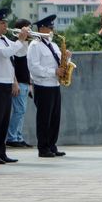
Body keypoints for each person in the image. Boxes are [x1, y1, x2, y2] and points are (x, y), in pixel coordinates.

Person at [0, 8, 29, 165]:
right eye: (2, 22)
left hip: (5, 83)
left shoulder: (4, 39)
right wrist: (20, 40)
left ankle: (1, 152)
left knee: (4, 121)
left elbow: (20, 53)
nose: (6, 25)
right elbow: (5, 53)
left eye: (6, 22)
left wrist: (24, 40)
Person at [26, 15, 67, 158]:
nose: (52, 30)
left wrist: (66, 59)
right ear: (42, 28)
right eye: (50, 28)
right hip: (43, 86)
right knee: (44, 119)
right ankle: (43, 148)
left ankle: (52, 145)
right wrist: (53, 71)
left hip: (55, 84)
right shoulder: (35, 45)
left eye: (52, 27)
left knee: (55, 118)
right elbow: (34, 68)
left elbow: (58, 62)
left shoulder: (53, 45)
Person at [6, 18, 32, 149]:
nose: (31, 32)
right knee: (19, 111)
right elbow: (12, 65)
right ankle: (12, 137)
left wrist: (30, 84)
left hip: (25, 82)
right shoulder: (16, 44)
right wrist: (14, 82)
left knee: (21, 112)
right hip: (19, 82)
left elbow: (27, 66)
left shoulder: (27, 45)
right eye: (28, 29)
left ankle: (18, 137)